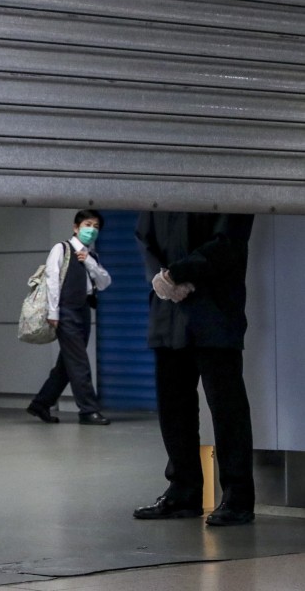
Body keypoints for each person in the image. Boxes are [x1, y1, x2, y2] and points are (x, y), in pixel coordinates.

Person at [132, 212, 255, 526]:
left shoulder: (225, 181)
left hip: (213, 308)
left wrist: (177, 274)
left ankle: (238, 497)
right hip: (167, 309)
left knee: (226, 407)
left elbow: (228, 242)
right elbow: (144, 237)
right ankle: (183, 492)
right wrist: (160, 279)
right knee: (173, 406)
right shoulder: (159, 188)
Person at [27, 209, 112, 425]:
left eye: (96, 227)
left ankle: (41, 403)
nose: (91, 230)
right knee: (80, 362)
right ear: (76, 227)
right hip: (65, 312)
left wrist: (90, 262)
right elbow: (52, 279)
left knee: (68, 363)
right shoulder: (62, 249)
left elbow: (104, 282)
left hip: (83, 311)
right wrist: (53, 312)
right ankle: (88, 410)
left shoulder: (91, 255)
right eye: (87, 225)